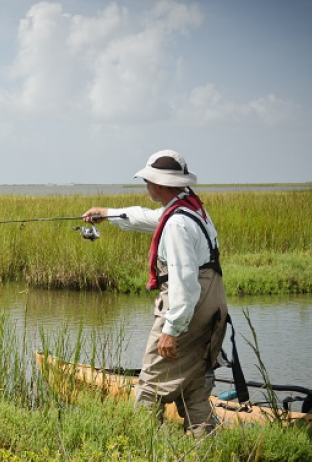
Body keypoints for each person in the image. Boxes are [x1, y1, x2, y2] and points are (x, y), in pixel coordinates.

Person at [83, 149, 227, 435]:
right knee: (195, 387)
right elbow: (149, 218)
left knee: (149, 388)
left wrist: (172, 330)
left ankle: (141, 454)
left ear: (160, 184)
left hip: (187, 310)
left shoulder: (176, 225)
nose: (146, 185)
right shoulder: (190, 208)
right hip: (211, 308)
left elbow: (184, 283)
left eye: (148, 180)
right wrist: (107, 214)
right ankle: (204, 454)